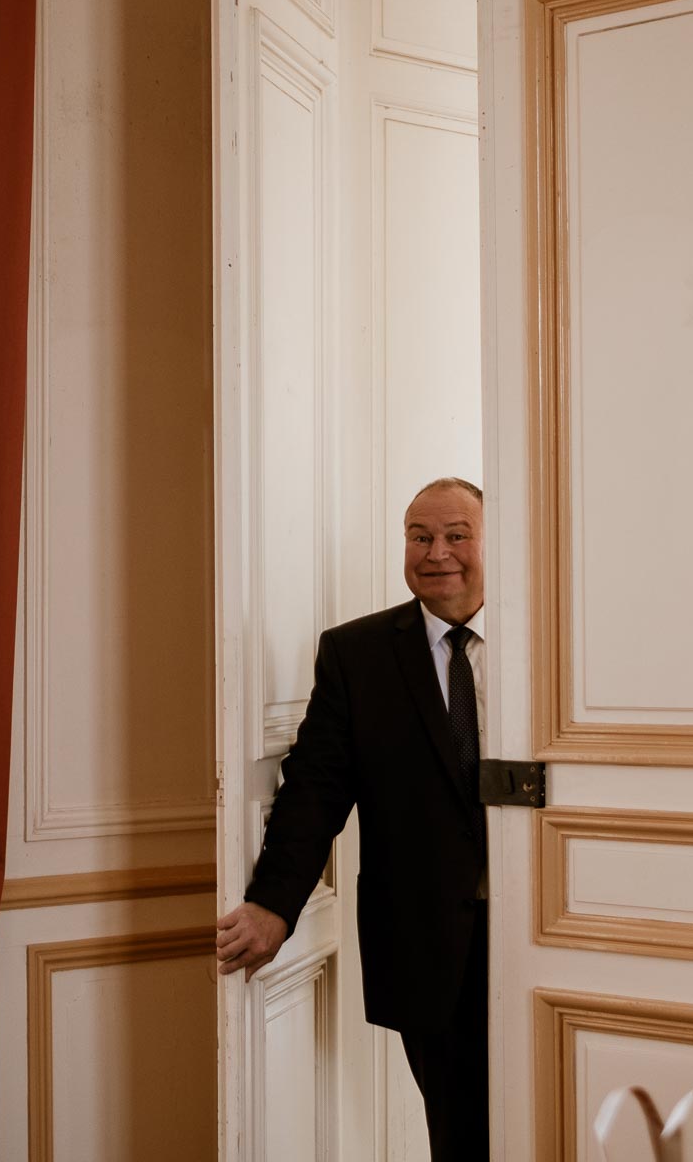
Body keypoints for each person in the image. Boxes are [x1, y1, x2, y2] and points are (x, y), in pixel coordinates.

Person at [217, 477, 489, 1160]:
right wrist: (274, 904)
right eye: (419, 535)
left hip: (544, 937)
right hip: (427, 946)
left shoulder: (553, 643)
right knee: (460, 1135)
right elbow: (315, 787)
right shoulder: (357, 654)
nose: (436, 553)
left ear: (493, 542)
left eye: (457, 535)